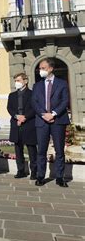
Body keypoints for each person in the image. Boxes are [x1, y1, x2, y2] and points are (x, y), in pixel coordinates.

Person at [32, 58, 70, 188]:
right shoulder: (37, 85)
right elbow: (34, 102)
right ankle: (40, 177)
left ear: (50, 68)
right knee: (41, 150)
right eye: (39, 68)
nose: (40, 70)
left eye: (43, 68)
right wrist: (44, 114)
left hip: (58, 120)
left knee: (59, 150)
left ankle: (60, 177)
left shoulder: (62, 83)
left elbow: (65, 101)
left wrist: (53, 113)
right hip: (42, 121)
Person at [7, 73, 37, 179]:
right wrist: (17, 117)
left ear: (25, 81)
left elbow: (34, 108)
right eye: (15, 80)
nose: (16, 83)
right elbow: (9, 108)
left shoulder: (33, 94)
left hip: (28, 124)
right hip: (16, 124)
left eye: (18, 80)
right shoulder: (12, 95)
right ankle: (21, 170)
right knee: (18, 148)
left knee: (31, 148)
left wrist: (24, 117)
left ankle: (34, 171)